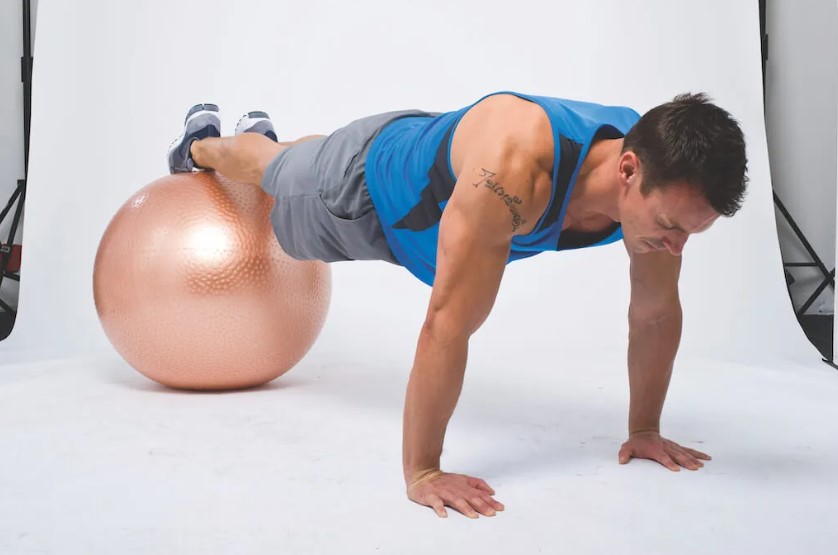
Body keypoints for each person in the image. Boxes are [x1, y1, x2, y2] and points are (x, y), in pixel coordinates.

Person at [167, 90, 749, 519]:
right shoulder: (512, 173)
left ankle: (267, 142)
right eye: (672, 227)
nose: (675, 247)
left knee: (300, 160)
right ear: (628, 171)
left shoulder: (652, 170)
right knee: (275, 175)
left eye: (690, 235)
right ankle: (200, 145)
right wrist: (423, 470)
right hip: (363, 195)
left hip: (416, 151)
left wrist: (644, 428)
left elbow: (652, 311)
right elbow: (446, 325)